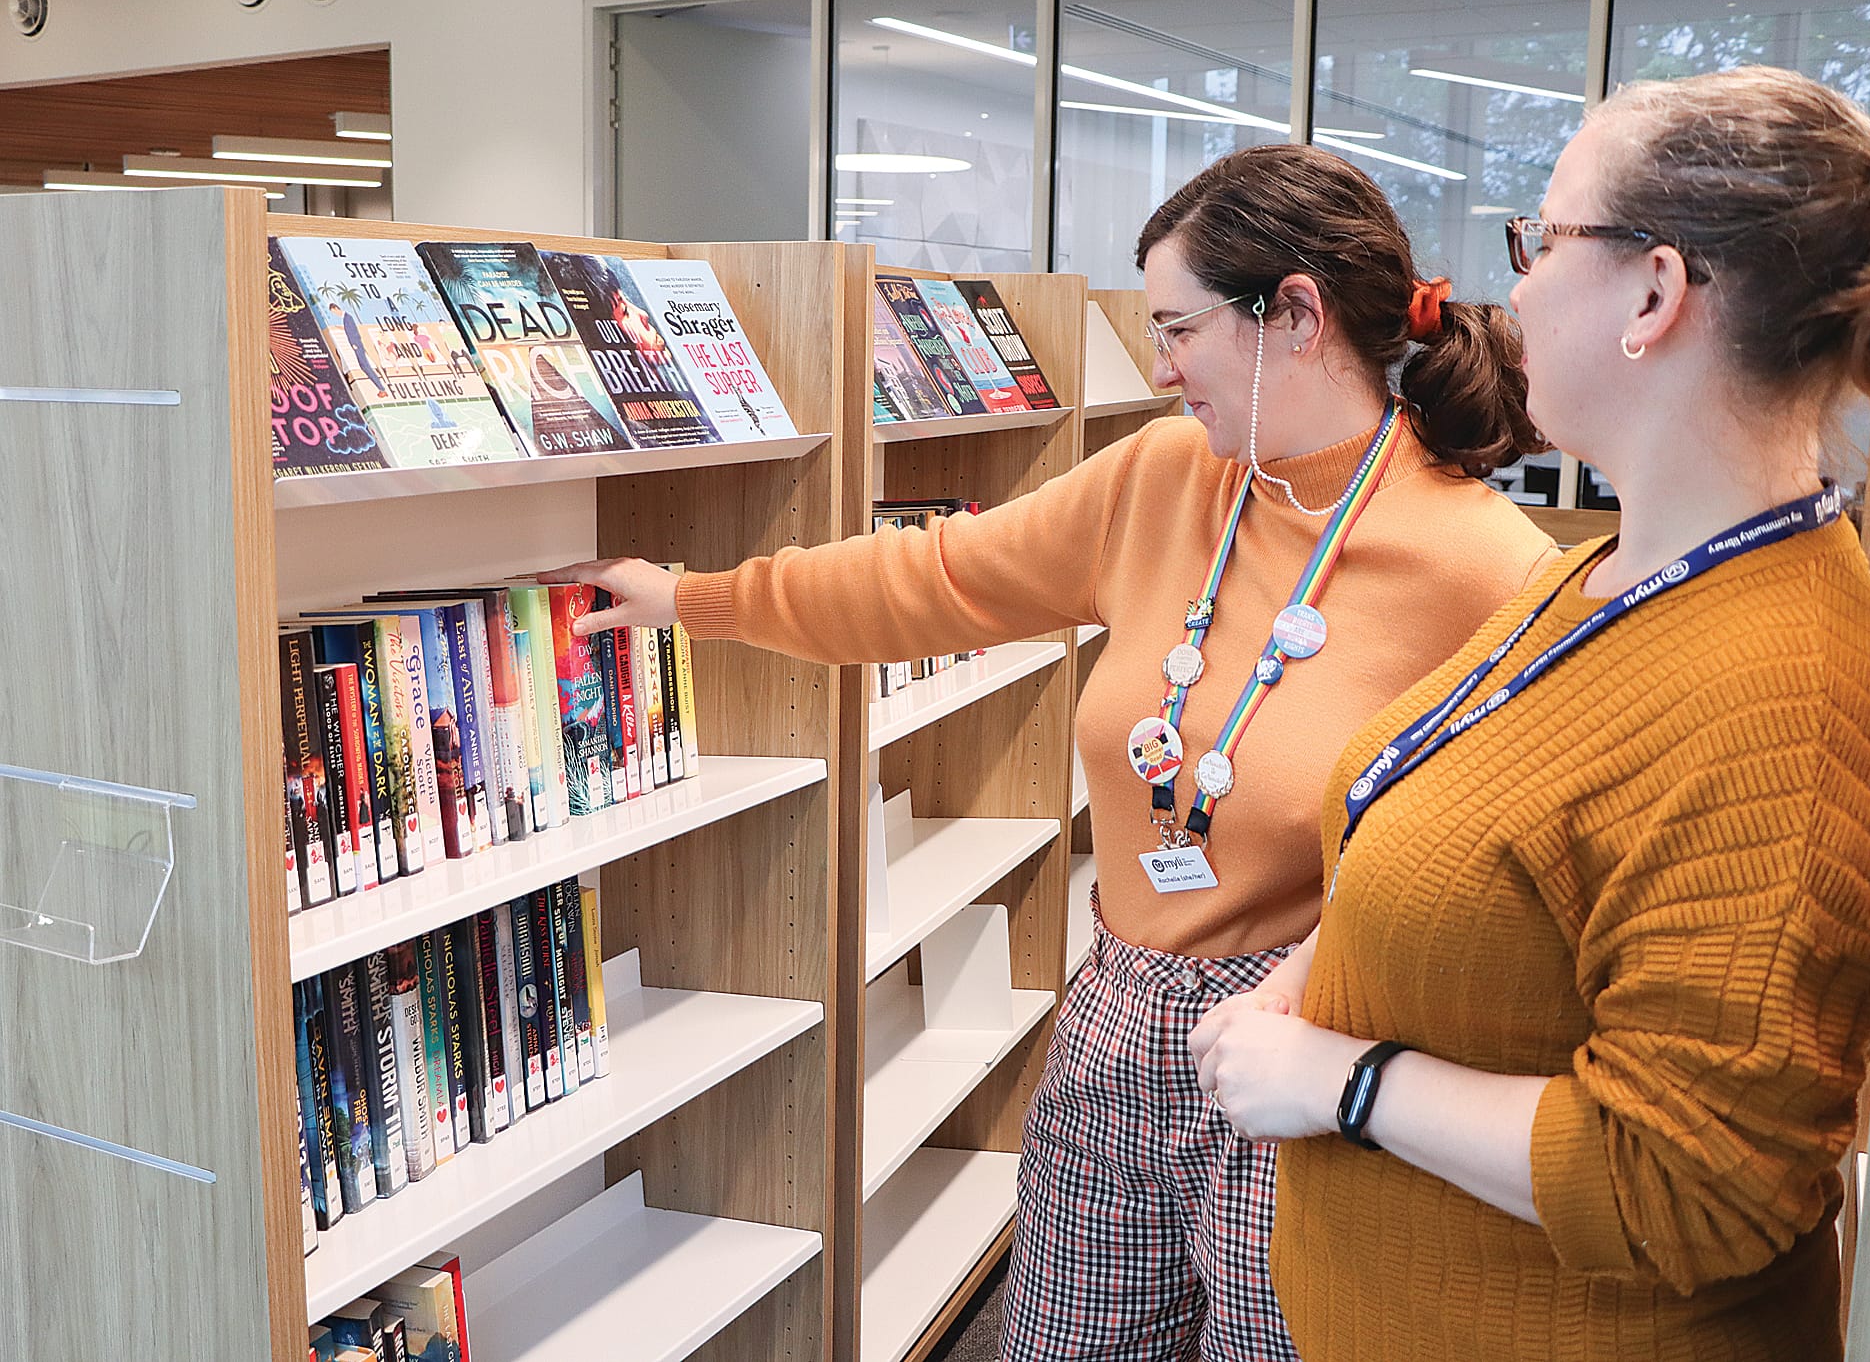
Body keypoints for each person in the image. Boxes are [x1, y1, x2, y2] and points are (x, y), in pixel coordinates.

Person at [542, 143, 1558, 1361]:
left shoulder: (1490, 571)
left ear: (1294, 313)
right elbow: (937, 579)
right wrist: (698, 597)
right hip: (1115, 1009)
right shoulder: (1168, 477)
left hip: (1305, 1044)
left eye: (1179, 328)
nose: (1161, 362)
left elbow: (1497, 881)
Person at [1190, 67, 1870, 1362]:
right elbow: (1460, 817)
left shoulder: (1783, 697)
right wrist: (1315, 977)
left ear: (1653, 292)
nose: (1508, 286)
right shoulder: (1613, 568)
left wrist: (1341, 1082)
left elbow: (1690, 1178)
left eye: (1540, 238)